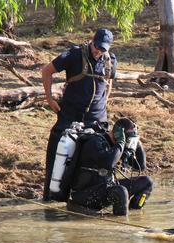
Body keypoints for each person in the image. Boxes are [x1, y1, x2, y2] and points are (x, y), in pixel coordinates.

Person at [42, 28, 118, 201]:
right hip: (70, 115)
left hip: (97, 120)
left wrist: (105, 100)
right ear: (92, 40)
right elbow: (46, 71)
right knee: (57, 154)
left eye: (103, 49)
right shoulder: (74, 54)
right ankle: (51, 196)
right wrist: (50, 99)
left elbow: (109, 81)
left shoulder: (110, 60)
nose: (98, 51)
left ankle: (86, 197)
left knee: (94, 161)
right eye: (97, 47)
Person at [68, 118, 153, 216]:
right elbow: (108, 163)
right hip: (84, 195)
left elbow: (140, 167)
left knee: (147, 182)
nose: (127, 143)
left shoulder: (119, 145)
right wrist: (120, 143)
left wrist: (137, 143)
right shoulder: (95, 142)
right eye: (127, 139)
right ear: (118, 134)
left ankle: (134, 213)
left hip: (105, 188)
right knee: (120, 191)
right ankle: (120, 226)